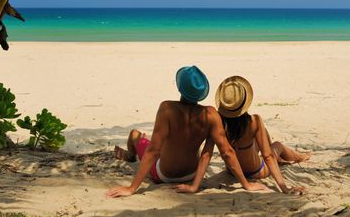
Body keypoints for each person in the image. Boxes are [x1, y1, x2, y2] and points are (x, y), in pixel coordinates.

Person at [106, 67, 266, 198]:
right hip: (192, 174)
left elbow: (153, 151)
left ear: (180, 87)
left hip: (164, 174)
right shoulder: (210, 114)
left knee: (135, 135)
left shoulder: (167, 109)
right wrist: (246, 184)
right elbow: (227, 152)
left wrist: (132, 188)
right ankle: (131, 155)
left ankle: (130, 155)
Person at [175, 76, 309, 194]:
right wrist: (283, 187)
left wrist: (194, 186)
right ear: (245, 103)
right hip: (257, 172)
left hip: (232, 172)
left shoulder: (218, 123)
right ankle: (300, 156)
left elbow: (206, 155)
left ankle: (287, 159)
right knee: (277, 146)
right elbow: (267, 156)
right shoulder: (254, 121)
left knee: (259, 141)